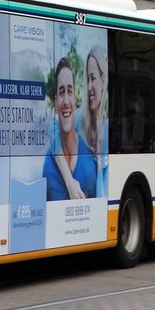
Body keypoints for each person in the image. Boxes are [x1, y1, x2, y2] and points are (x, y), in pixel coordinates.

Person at [43, 58, 96, 201]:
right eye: (61, 92)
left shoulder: (90, 162)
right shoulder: (48, 169)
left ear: (75, 98)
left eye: (70, 91)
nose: (66, 101)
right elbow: (51, 128)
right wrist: (69, 181)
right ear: (55, 103)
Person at [82, 47, 110, 199]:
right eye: (87, 79)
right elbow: (53, 127)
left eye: (93, 78)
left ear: (103, 78)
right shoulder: (82, 119)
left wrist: (99, 159)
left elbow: (102, 198)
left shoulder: (108, 127)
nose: (89, 87)